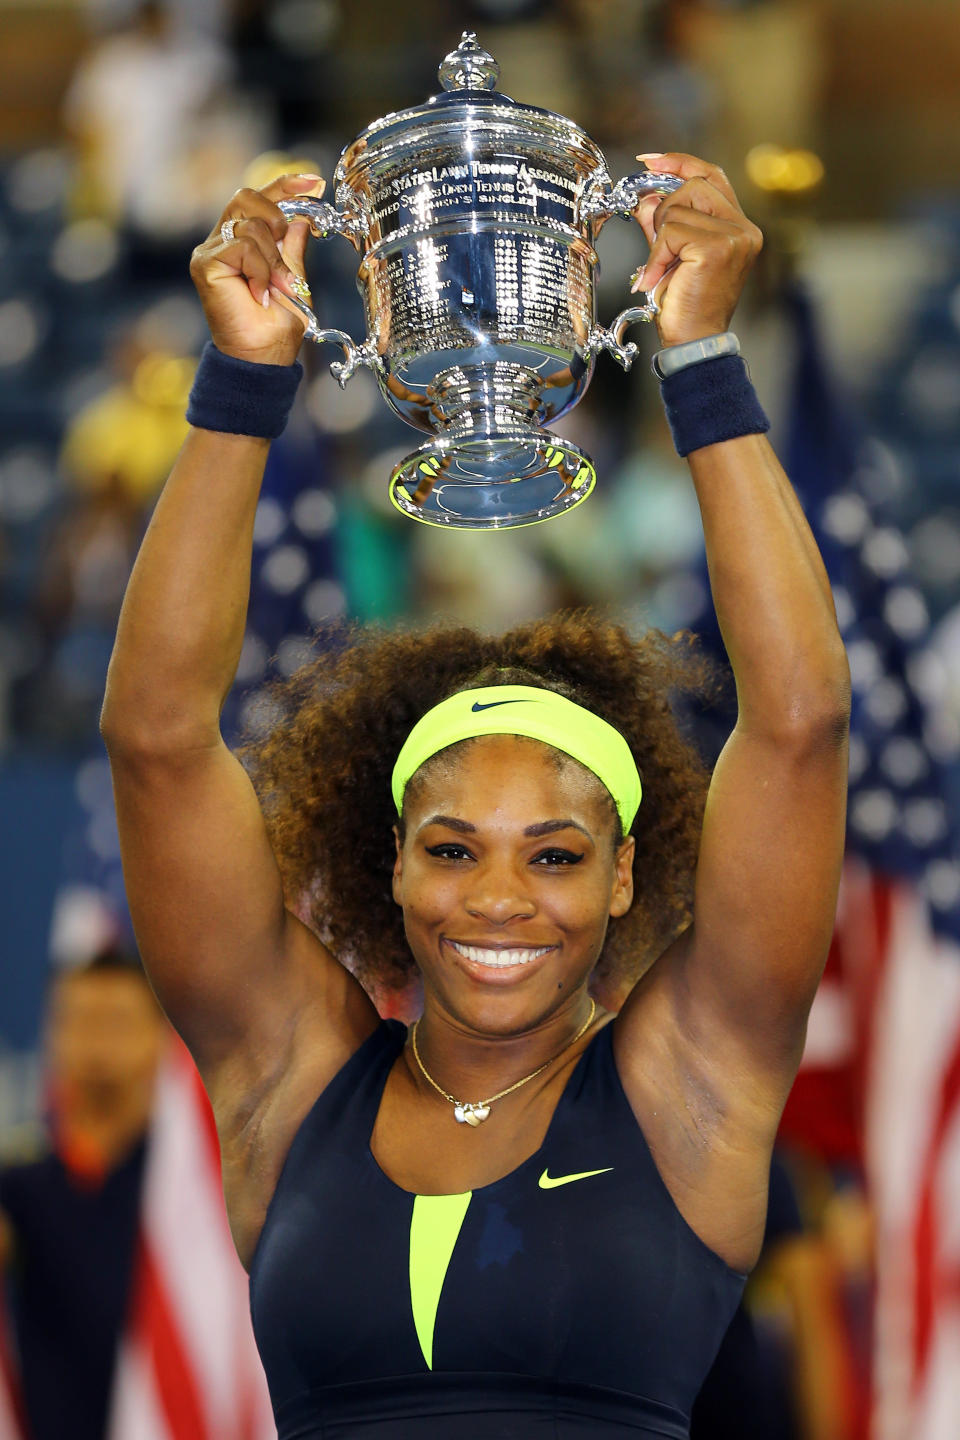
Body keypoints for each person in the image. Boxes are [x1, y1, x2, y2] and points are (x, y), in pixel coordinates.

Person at [99, 153, 851, 1438]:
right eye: (454, 848)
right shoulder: (289, 1076)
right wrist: (245, 376)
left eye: (556, 856)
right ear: (392, 862)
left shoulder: (693, 1084)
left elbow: (799, 726)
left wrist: (703, 358)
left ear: (624, 874)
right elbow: (159, 739)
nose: (499, 899)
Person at [0, 949, 166, 1440]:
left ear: (164, 1037)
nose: (95, 1040)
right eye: (78, 1020)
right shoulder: (19, 1190)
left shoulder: (190, 1192)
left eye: (116, 1021)